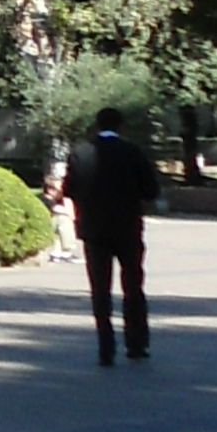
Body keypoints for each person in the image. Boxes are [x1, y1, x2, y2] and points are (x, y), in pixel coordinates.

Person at [73, 105, 161, 364]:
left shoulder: (81, 153)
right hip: (127, 228)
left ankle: (106, 347)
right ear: (120, 126)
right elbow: (150, 190)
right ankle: (136, 343)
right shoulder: (132, 152)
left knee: (100, 288)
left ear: (97, 125)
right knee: (133, 286)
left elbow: (70, 188)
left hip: (94, 230)